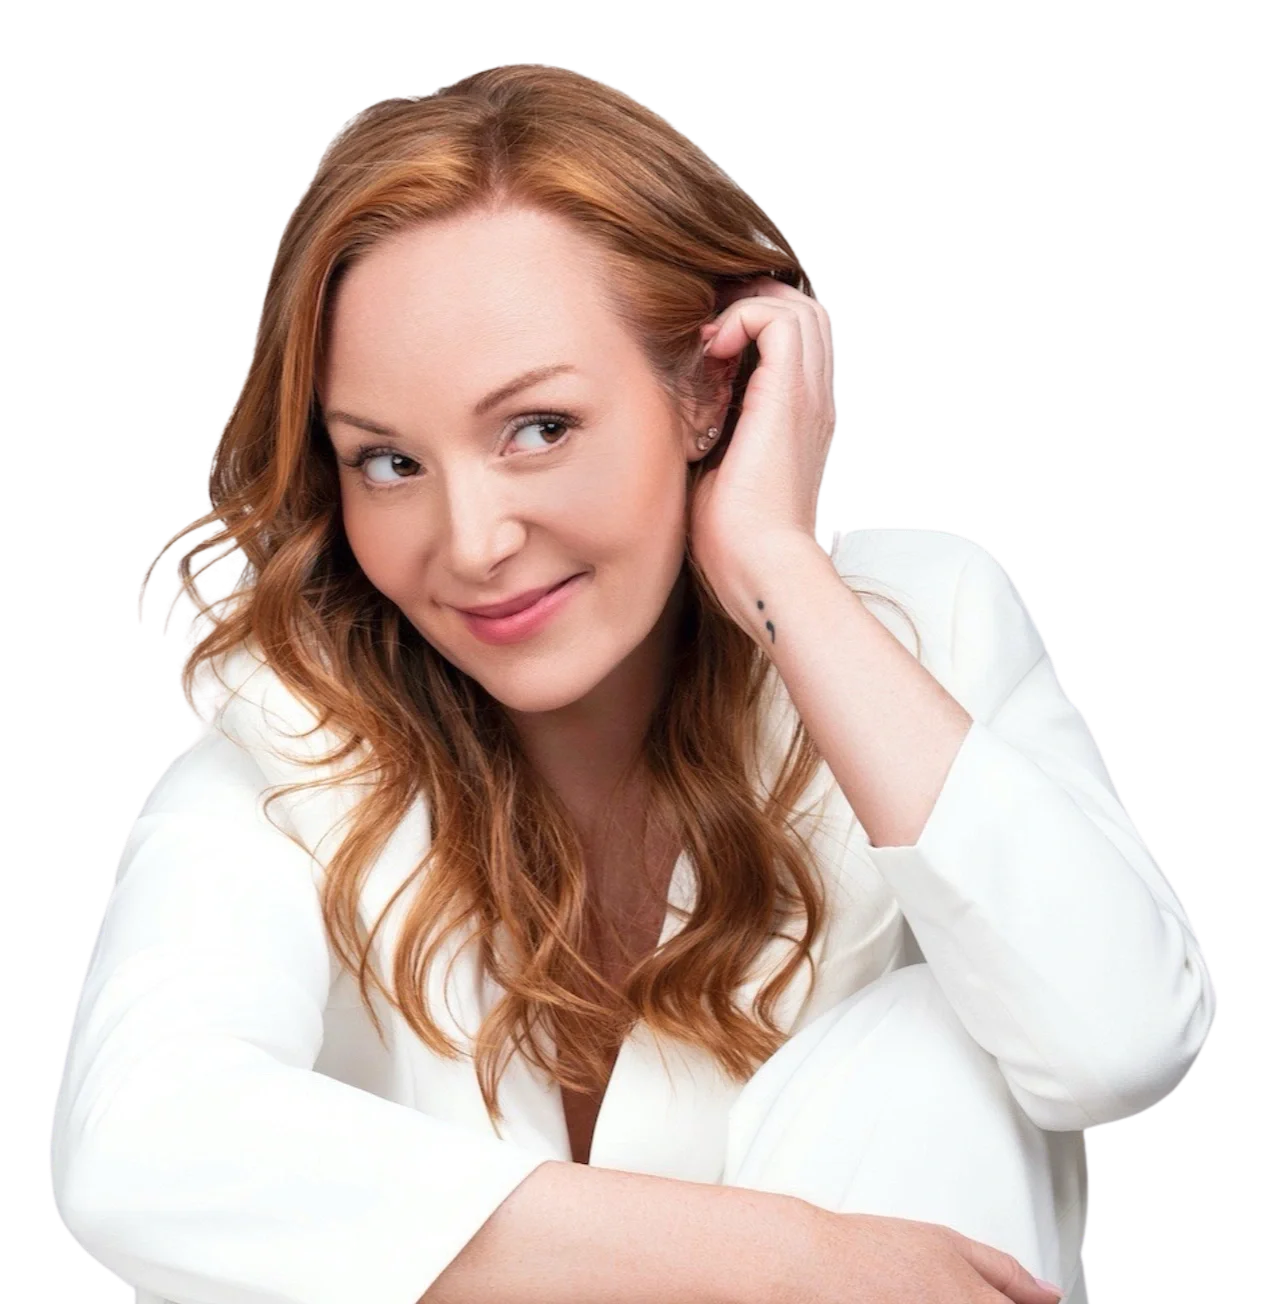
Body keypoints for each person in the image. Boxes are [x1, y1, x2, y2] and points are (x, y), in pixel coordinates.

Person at [50, 66, 1216, 1304]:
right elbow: (140, 1148)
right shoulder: (290, 744)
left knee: (937, 1050)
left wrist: (777, 564)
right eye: (388, 461)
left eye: (539, 427)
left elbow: (1116, 1043)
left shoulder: (915, 626)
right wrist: (788, 1261)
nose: (473, 542)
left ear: (708, 390)